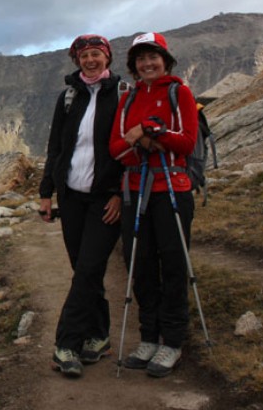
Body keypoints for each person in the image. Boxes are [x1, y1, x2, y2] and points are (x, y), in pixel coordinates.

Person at [109, 32, 198, 378]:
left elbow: (187, 142)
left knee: (174, 263)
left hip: (172, 188)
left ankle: (172, 340)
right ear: (134, 66)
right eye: (141, 59)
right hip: (135, 190)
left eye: (153, 57)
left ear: (165, 60)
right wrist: (149, 139)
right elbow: (116, 147)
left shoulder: (180, 93)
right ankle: (149, 336)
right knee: (139, 263)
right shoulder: (128, 99)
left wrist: (145, 131)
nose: (148, 64)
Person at [39, 34, 124, 377]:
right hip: (70, 196)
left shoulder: (122, 95)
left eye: (96, 54)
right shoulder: (68, 97)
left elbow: (128, 152)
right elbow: (55, 148)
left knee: (89, 268)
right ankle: (99, 335)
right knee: (85, 271)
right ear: (77, 61)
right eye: (84, 55)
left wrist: (120, 192)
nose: (90, 60)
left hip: (106, 199)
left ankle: (67, 345)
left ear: (107, 58)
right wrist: (46, 193)